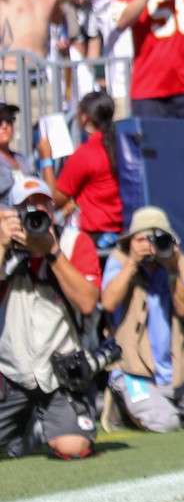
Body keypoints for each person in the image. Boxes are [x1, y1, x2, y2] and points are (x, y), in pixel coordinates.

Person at [101, 206, 184, 431]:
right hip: (133, 373)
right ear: (131, 241)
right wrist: (133, 262)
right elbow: (108, 303)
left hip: (174, 374)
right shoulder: (120, 261)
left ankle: (170, 406)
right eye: (142, 238)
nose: (150, 246)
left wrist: (172, 270)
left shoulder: (183, 265)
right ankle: (125, 411)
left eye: (157, 238)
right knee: (165, 423)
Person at [0, 176, 102, 460]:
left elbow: (87, 303)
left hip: (60, 372)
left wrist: (52, 253)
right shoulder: (3, 242)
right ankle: (29, 427)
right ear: (12, 213)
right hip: (12, 372)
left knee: (74, 448)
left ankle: (42, 426)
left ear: (52, 207)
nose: (35, 211)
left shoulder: (73, 242)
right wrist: (2, 244)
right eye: (26, 206)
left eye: (41, 203)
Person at [41, 91, 122, 255]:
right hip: (119, 233)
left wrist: (46, 159)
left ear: (84, 117)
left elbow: (52, 200)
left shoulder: (86, 153)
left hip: (92, 240)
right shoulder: (122, 145)